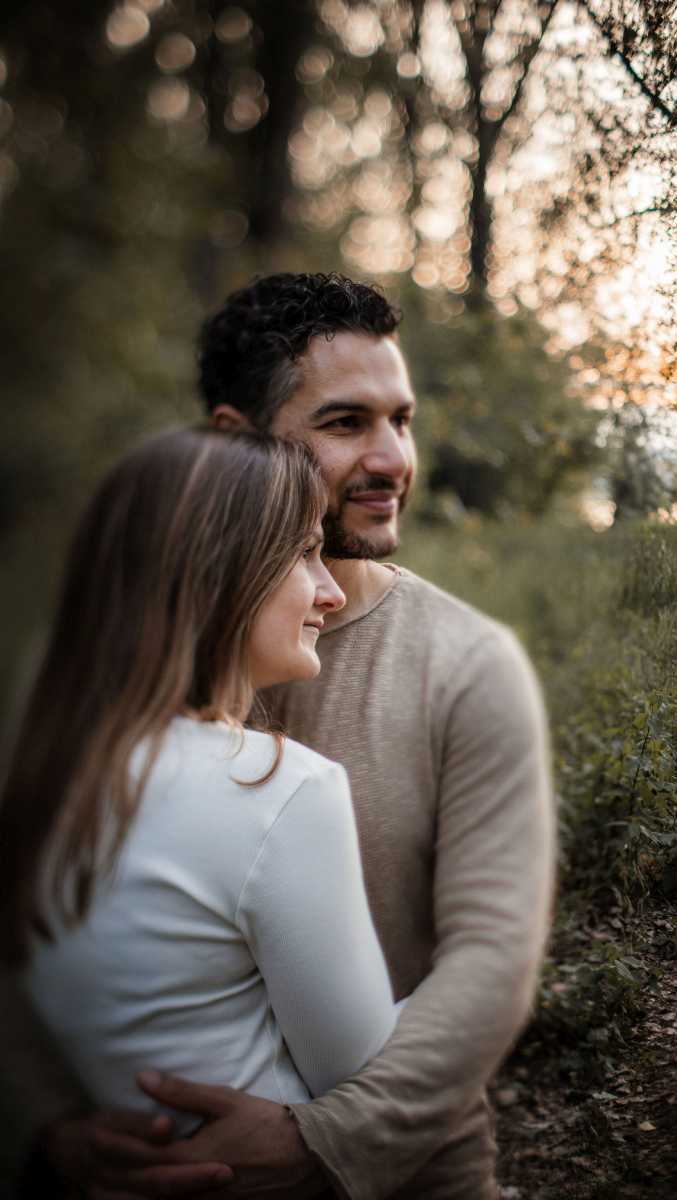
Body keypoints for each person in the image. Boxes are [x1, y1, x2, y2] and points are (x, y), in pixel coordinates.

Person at [5, 273, 556, 1200]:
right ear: (232, 441)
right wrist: (53, 1126)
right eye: (346, 423)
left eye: (402, 419)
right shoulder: (81, 674)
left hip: (412, 1175)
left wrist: (323, 1141)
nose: (392, 459)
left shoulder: (469, 665)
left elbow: (494, 958)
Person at [0, 428, 403, 1192]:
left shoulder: (45, 778)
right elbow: (369, 1093)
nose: (332, 591)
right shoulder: (279, 788)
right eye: (303, 553)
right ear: (216, 574)